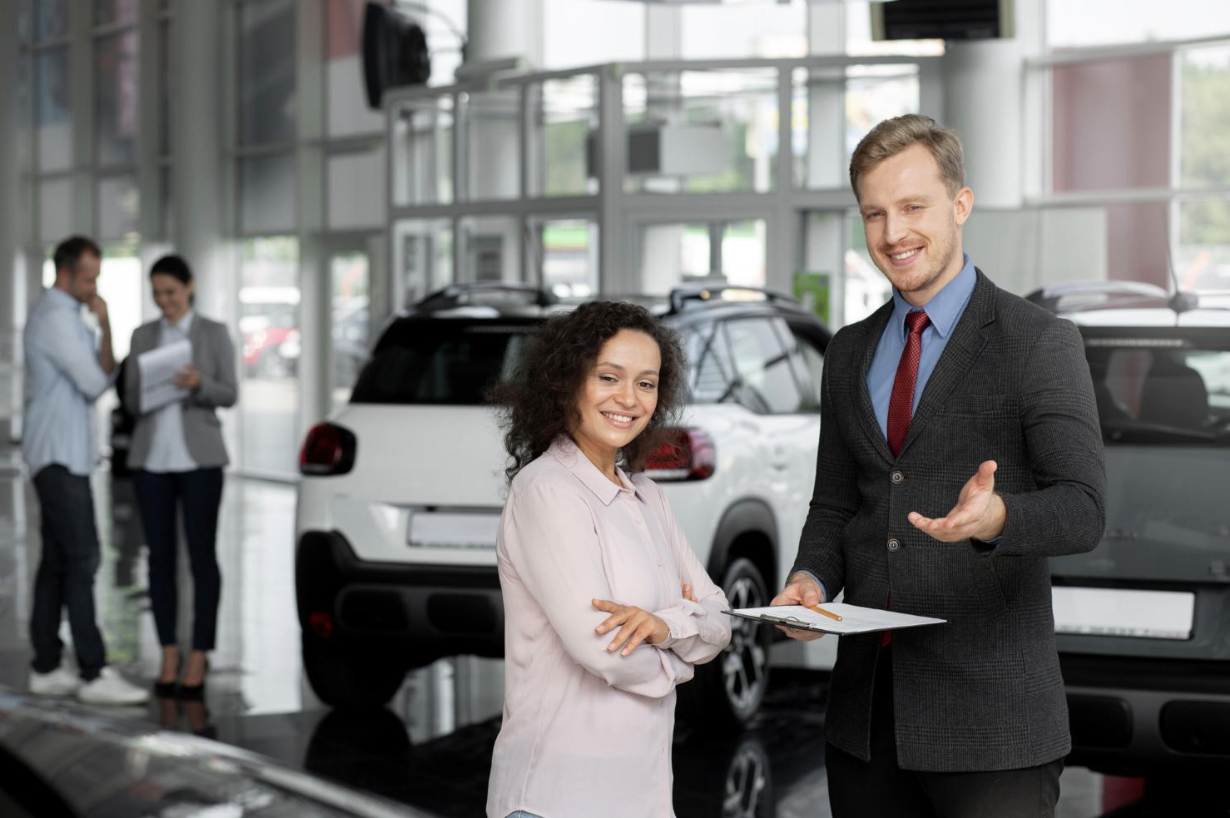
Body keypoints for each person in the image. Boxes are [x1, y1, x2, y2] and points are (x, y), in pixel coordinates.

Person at [772, 114, 1106, 818]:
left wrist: (999, 517)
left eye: (913, 207)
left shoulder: (1036, 341)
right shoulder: (849, 351)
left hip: (994, 729)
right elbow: (837, 504)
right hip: (865, 723)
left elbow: (1083, 508)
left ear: (960, 205)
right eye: (875, 214)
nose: (893, 233)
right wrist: (808, 580)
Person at [486, 301, 732, 818]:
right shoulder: (547, 490)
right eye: (608, 377)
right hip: (554, 796)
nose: (629, 399)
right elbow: (601, 649)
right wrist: (683, 656)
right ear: (566, 382)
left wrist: (661, 628)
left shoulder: (647, 496)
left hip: (643, 795)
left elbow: (720, 618)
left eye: (646, 383)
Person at [24, 236, 150, 705]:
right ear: (66, 273)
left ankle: (46, 666)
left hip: (65, 453)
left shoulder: (69, 316)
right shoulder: (55, 319)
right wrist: (106, 323)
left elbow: (101, 372)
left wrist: (104, 323)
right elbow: (98, 382)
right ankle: (94, 672)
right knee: (84, 557)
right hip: (56, 455)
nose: (95, 286)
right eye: (90, 277)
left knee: (57, 561)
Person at [124, 254, 237, 699]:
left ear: (189, 287)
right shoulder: (143, 336)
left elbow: (230, 393)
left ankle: (200, 652)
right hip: (152, 459)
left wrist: (198, 384)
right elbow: (131, 401)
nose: (164, 301)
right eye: (157, 293)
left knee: (202, 557)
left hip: (201, 461)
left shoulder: (213, 333)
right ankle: (169, 650)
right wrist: (151, 390)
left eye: (171, 292)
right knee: (159, 559)